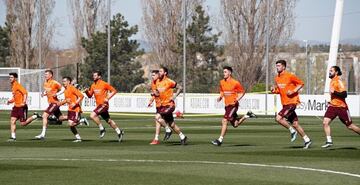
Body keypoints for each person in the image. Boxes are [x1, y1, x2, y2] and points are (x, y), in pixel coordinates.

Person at [271, 60, 312, 149]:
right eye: (276, 66)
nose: (277, 67)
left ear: (284, 67)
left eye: (279, 66)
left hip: (292, 102)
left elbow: (301, 83)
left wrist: (293, 91)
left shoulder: (290, 76)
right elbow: (280, 90)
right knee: (295, 124)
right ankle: (307, 140)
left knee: (278, 118)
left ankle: (292, 131)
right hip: (285, 104)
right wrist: (274, 90)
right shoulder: (277, 78)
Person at [211, 66, 256, 146]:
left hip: (233, 105)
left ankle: (219, 140)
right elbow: (222, 91)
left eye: (225, 72)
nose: (223, 73)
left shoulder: (235, 82)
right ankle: (247, 115)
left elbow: (242, 92)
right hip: (227, 106)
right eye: (223, 72)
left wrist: (237, 99)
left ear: (230, 73)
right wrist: (220, 97)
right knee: (235, 124)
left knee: (224, 120)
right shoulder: (222, 82)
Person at [322, 66, 360, 148]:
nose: (329, 72)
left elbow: (344, 94)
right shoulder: (332, 81)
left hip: (341, 107)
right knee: (325, 122)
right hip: (332, 106)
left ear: (336, 72)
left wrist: (334, 92)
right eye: (329, 70)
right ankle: (329, 141)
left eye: (331, 71)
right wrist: (331, 100)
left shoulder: (338, 81)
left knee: (350, 126)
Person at [84, 71, 124, 142]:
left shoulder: (104, 84)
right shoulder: (93, 85)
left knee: (92, 115)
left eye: (95, 75)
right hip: (99, 106)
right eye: (93, 76)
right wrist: (87, 91)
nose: (94, 77)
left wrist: (107, 98)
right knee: (109, 121)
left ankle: (102, 128)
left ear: (99, 76)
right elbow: (90, 96)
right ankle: (119, 132)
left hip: (104, 105)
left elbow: (114, 91)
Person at [154, 66, 187, 145]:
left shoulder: (169, 81)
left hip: (170, 105)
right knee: (172, 124)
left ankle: (168, 129)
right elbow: (158, 93)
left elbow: (180, 87)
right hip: (163, 105)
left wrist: (175, 96)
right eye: (159, 71)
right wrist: (155, 94)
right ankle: (182, 136)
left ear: (165, 73)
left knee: (157, 117)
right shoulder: (157, 81)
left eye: (161, 71)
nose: (159, 72)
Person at [6, 73, 41, 141]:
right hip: (16, 107)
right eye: (9, 77)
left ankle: (35, 116)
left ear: (15, 78)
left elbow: (25, 93)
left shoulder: (17, 85)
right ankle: (13, 137)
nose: (10, 78)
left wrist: (24, 102)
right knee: (12, 121)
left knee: (23, 123)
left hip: (22, 107)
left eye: (12, 77)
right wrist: (10, 101)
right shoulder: (12, 86)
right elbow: (15, 97)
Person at [35, 69, 64, 140]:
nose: (45, 76)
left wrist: (57, 94)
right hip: (51, 103)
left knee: (44, 115)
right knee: (60, 118)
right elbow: (48, 90)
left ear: (51, 75)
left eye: (47, 74)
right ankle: (79, 120)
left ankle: (42, 134)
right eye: (45, 74)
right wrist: (44, 93)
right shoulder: (45, 82)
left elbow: (63, 89)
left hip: (54, 103)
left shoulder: (55, 82)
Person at [148, 70, 172, 145]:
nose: (152, 77)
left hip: (164, 105)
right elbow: (155, 94)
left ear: (158, 75)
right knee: (158, 121)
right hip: (158, 105)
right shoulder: (153, 83)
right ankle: (156, 139)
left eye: (154, 75)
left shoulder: (160, 82)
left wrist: (154, 93)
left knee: (158, 118)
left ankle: (168, 130)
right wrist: (151, 100)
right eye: (152, 75)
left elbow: (159, 93)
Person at [57, 76, 85, 142]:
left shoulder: (72, 88)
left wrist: (75, 103)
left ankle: (82, 120)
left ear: (69, 82)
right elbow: (67, 99)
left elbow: (81, 96)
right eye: (63, 81)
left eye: (64, 81)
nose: (63, 83)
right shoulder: (65, 90)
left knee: (71, 124)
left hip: (75, 109)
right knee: (71, 126)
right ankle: (78, 138)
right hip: (70, 109)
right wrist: (61, 103)